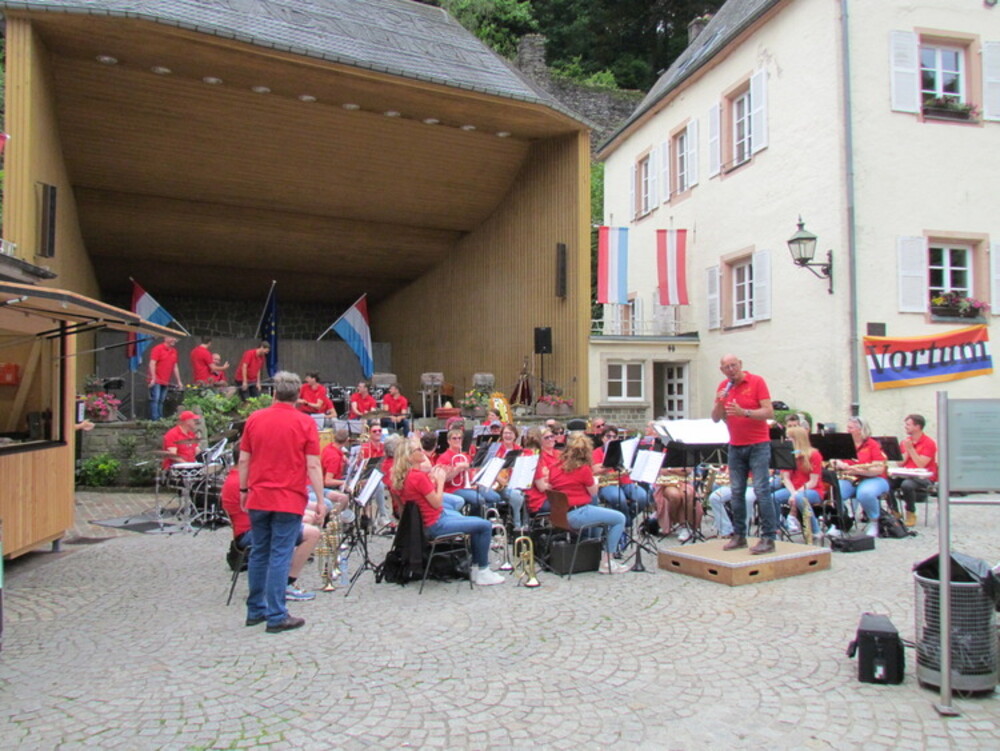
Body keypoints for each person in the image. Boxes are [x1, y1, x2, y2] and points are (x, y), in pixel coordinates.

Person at [239, 370, 324, 633]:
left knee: (259, 552)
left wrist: (243, 490)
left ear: (274, 393)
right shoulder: (305, 422)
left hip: (259, 496)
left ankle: (256, 609)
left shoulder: (255, 418)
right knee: (280, 554)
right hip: (288, 497)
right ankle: (276, 614)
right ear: (298, 395)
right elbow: (313, 465)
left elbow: (244, 459)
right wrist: (321, 499)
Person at [391, 439, 505, 586]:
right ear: (409, 456)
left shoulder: (406, 476)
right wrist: (440, 481)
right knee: (485, 526)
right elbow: (437, 502)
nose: (423, 452)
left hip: (427, 522)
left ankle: (476, 567)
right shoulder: (418, 477)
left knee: (467, 518)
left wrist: (432, 479)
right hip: (436, 523)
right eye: (418, 450)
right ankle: (482, 570)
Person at [220, 467, 320, 602]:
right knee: (312, 534)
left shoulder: (235, 478)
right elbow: (265, 509)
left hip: (247, 529)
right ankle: (286, 584)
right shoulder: (243, 482)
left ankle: (281, 576)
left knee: (305, 520)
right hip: (250, 532)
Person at [711, 353, 777, 555]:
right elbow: (715, 418)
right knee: (736, 491)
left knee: (761, 490)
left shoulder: (756, 382)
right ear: (722, 370)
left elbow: (769, 412)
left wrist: (745, 412)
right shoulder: (724, 386)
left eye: (734, 365)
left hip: (758, 444)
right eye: (727, 367)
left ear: (740, 364)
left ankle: (768, 538)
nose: (731, 370)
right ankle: (739, 535)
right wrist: (720, 402)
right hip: (735, 445)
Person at [549, 431, 629, 574]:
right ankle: (607, 561)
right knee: (619, 518)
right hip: (577, 513)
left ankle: (597, 549)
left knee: (598, 511)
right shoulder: (583, 469)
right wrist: (595, 480)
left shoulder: (555, 467)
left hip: (560, 515)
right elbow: (593, 492)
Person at [830, 416, 889, 538]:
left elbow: (879, 468)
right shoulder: (845, 443)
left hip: (873, 478)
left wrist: (859, 470)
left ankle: (874, 521)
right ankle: (840, 522)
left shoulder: (872, 445)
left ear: (860, 429)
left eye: (850, 428)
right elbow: (833, 459)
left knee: (865, 493)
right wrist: (838, 463)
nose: (847, 430)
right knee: (835, 491)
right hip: (850, 477)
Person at [773, 426, 827, 543]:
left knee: (800, 498)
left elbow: (813, 482)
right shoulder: (788, 454)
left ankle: (815, 531)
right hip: (793, 489)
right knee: (773, 497)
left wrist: (796, 494)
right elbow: (786, 478)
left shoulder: (814, 455)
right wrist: (793, 493)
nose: (786, 440)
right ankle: (776, 528)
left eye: (789, 438)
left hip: (813, 490)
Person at [891, 413, 938, 527]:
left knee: (907, 485)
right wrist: (907, 449)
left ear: (917, 426)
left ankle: (910, 512)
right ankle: (894, 511)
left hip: (924, 477)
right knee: (886, 482)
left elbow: (921, 464)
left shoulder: (929, 443)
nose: (905, 427)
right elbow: (900, 463)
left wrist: (911, 449)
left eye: (908, 425)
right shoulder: (905, 442)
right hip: (906, 474)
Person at [148, 335, 183, 420]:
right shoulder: (158, 348)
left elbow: (175, 367)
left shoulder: (174, 351)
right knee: (155, 399)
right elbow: (152, 363)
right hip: (157, 379)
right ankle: (155, 419)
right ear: (165, 338)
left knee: (162, 400)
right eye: (172, 337)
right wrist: (153, 377)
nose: (174, 339)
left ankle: (160, 418)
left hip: (165, 380)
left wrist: (179, 381)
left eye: (175, 338)